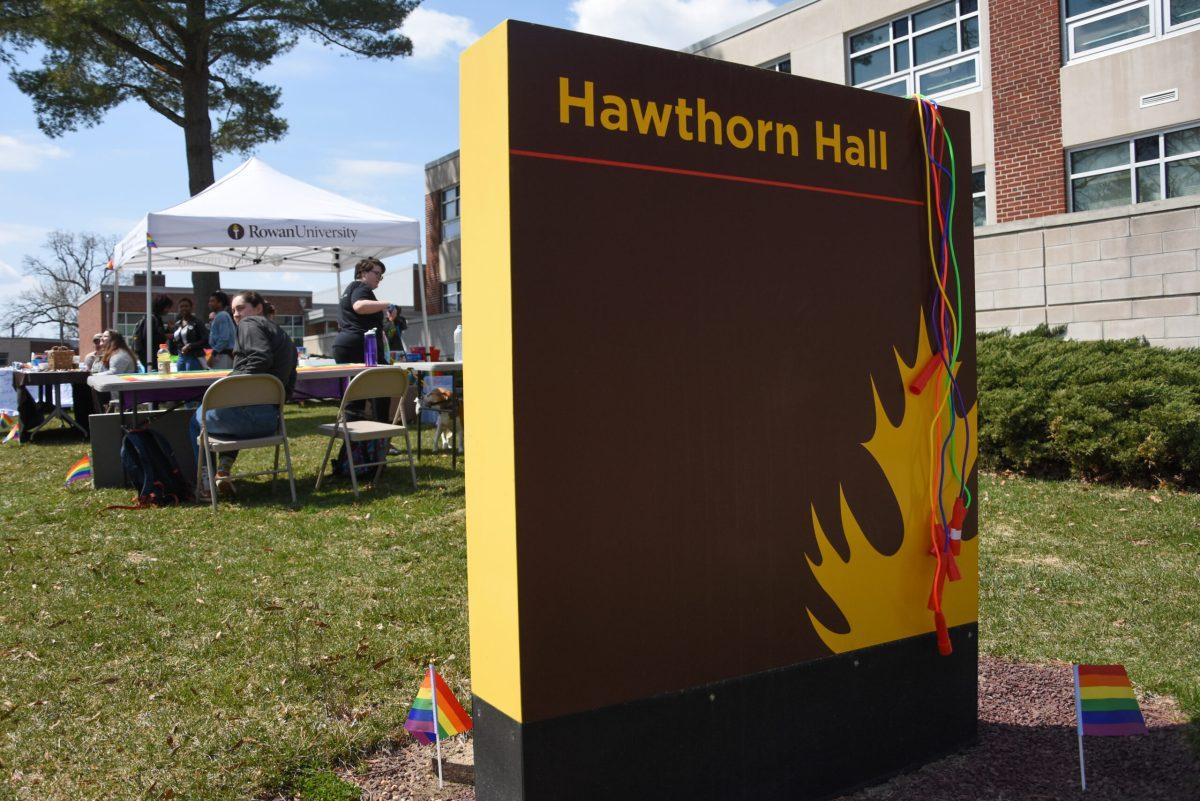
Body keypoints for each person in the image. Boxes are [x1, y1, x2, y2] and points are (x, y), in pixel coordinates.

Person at [190, 291, 297, 499]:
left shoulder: (250, 324)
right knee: (230, 413)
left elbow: (259, 357)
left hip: (248, 418)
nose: (236, 315)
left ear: (258, 309)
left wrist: (229, 385)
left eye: (240, 308)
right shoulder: (284, 337)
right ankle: (223, 471)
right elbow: (290, 382)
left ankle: (205, 485)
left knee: (196, 419)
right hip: (272, 423)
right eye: (233, 311)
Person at [335, 257, 391, 421]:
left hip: (346, 345)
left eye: (381, 275)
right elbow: (359, 306)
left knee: (355, 398)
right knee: (381, 392)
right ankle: (379, 438)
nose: (379, 278)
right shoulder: (361, 286)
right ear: (362, 272)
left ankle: (356, 443)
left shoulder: (350, 289)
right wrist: (386, 304)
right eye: (377, 273)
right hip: (361, 347)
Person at [132, 295, 173, 370]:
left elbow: (158, 336)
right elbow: (147, 337)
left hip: (155, 356)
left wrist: (168, 330)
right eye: (167, 307)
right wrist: (166, 336)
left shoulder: (156, 319)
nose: (168, 310)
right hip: (150, 357)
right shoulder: (152, 319)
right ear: (161, 306)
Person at [169, 297, 209, 371]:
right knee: (180, 380)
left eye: (186, 306)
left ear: (191, 308)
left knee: (192, 380)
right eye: (181, 306)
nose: (184, 308)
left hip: (194, 357)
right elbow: (174, 339)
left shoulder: (197, 322)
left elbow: (205, 339)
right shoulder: (177, 324)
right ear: (178, 309)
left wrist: (190, 345)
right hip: (181, 357)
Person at [207, 291, 236, 369]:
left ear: (220, 303)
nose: (209, 303)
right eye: (209, 301)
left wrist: (213, 355)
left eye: (212, 301)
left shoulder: (222, 315)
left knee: (222, 379)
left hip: (224, 355)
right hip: (221, 354)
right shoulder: (219, 316)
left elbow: (224, 339)